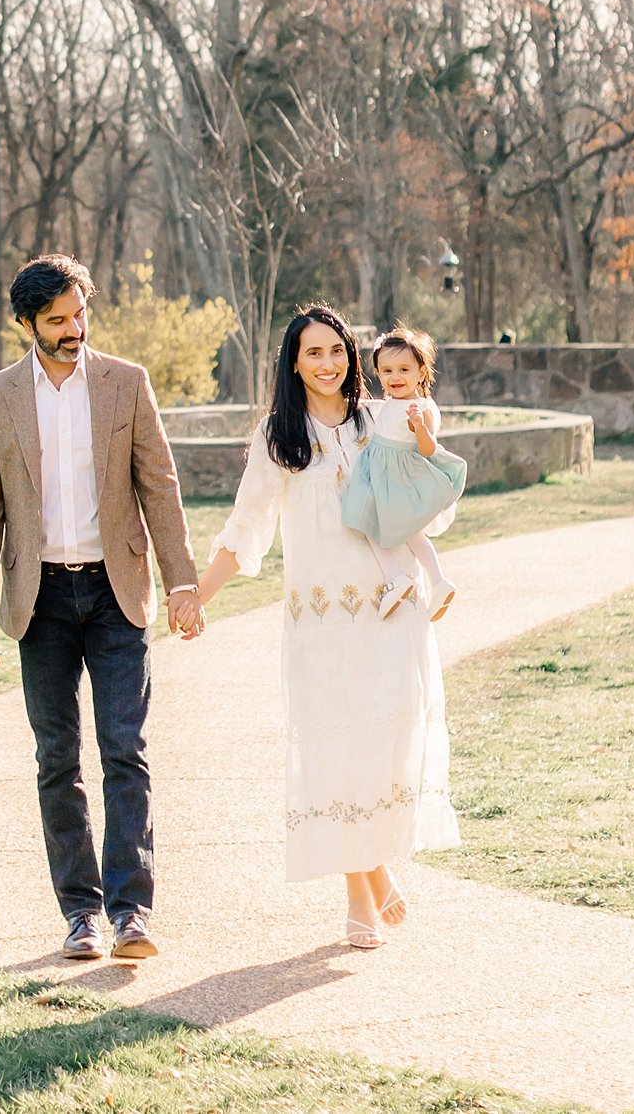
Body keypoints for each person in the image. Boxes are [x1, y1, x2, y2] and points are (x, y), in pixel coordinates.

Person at [0, 252, 204, 964]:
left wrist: (182, 581)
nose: (73, 330)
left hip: (115, 591)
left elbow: (159, 484)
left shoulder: (126, 384)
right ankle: (82, 914)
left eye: (79, 315)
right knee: (55, 759)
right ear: (28, 323)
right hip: (39, 599)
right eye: (57, 320)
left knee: (125, 748)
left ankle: (133, 912)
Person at [196, 304, 459, 949]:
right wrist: (198, 595)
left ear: (352, 357)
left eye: (337, 351)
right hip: (321, 622)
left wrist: (426, 441)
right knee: (335, 751)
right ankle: (366, 883)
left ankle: (369, 877)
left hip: (390, 610)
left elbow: (428, 501)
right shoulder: (276, 436)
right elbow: (248, 526)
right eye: (313, 353)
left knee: (384, 750)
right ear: (294, 362)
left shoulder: (380, 419)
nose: (328, 364)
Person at [340, 324, 465, 622]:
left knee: (370, 522)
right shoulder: (389, 404)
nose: (395, 377)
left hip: (398, 476)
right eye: (387, 371)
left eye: (404, 370)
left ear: (421, 373)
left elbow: (427, 447)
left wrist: (419, 427)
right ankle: (427, 580)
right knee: (395, 530)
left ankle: (410, 579)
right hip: (380, 473)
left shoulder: (421, 407)